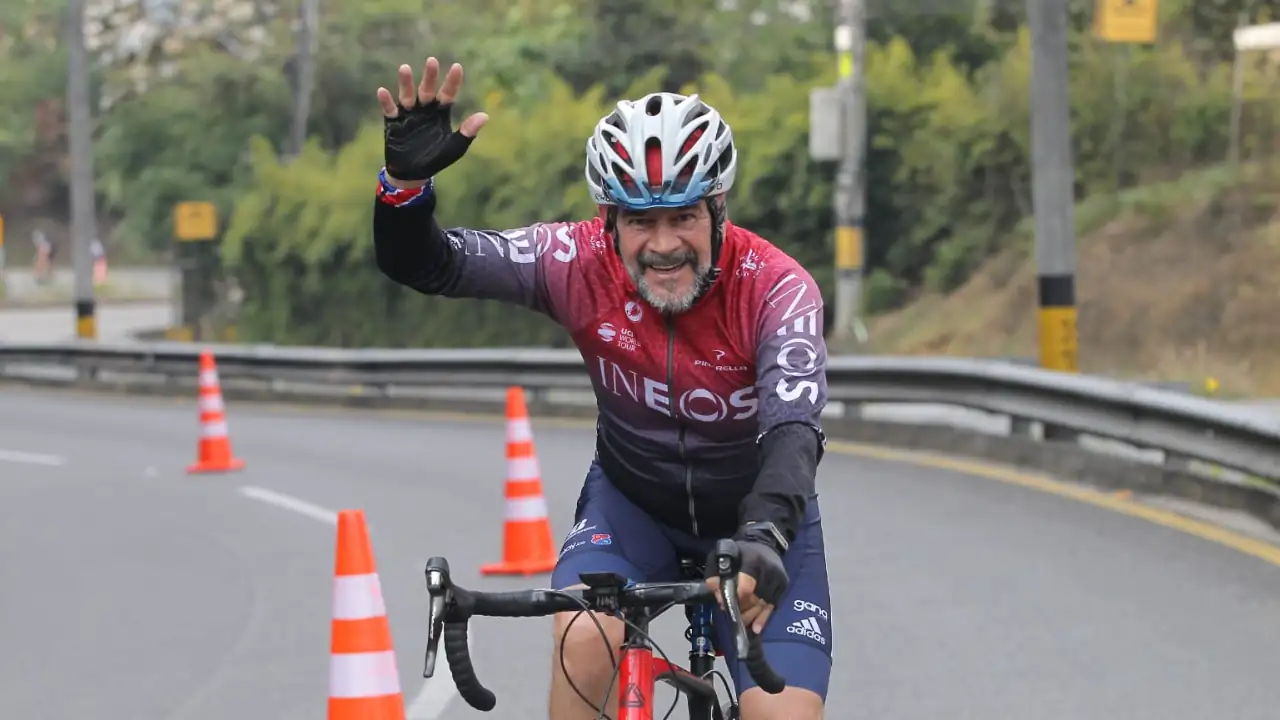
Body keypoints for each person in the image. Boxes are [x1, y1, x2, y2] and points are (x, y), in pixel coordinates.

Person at [374, 58, 832, 720]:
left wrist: (765, 533)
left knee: (780, 714)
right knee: (585, 638)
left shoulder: (776, 287)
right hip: (632, 508)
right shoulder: (571, 262)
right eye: (641, 222)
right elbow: (429, 264)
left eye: (683, 217)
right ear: (606, 220)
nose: (665, 244)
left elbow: (794, 432)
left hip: (757, 523)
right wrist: (404, 187)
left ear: (718, 209)